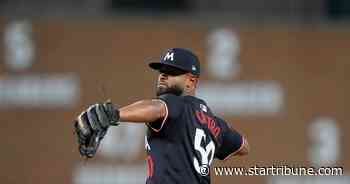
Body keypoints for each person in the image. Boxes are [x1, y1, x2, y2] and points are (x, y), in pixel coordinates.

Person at [74, 48, 249, 184]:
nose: (163, 75)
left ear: (191, 81)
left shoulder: (175, 103)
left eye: (172, 72)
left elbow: (157, 108)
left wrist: (115, 114)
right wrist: (219, 133)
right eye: (162, 70)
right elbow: (243, 147)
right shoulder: (216, 124)